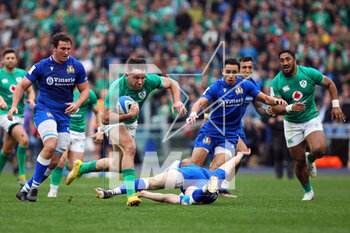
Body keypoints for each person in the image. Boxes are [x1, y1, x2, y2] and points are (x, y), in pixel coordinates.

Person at [65, 58, 187, 206]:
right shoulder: (117, 87)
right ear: (127, 74)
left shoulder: (149, 80)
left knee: (118, 165)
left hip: (131, 122)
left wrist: (177, 101)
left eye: (142, 77)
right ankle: (131, 196)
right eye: (136, 78)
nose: (141, 82)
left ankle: (81, 167)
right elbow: (105, 118)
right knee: (130, 147)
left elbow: (173, 83)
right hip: (113, 121)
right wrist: (128, 115)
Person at [181, 58, 287, 186]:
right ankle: (179, 167)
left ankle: (215, 188)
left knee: (226, 162)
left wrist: (277, 102)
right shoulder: (216, 86)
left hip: (231, 132)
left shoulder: (248, 85)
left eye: (234, 72)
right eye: (228, 72)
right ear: (223, 71)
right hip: (212, 129)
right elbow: (201, 102)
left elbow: (264, 99)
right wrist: (195, 114)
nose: (231, 75)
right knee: (195, 164)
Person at [10, 32, 90, 202]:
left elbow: (85, 90)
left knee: (54, 161)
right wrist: (14, 106)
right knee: (51, 143)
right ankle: (35, 189)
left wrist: (77, 104)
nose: (66, 52)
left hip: (64, 116)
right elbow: (22, 86)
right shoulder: (41, 66)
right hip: (44, 110)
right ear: (53, 48)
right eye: (63, 48)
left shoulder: (76, 66)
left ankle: (26, 188)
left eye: (69, 48)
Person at [269, 49, 346, 201]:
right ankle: (308, 191)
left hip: (310, 119)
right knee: (297, 161)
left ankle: (310, 159)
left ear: (294, 60)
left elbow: (330, 83)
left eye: (287, 59)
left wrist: (335, 105)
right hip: (291, 123)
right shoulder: (276, 82)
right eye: (282, 60)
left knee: (319, 150)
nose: (285, 63)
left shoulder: (309, 73)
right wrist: (290, 107)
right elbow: (274, 108)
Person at [94, 149, 251, 205]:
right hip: (196, 185)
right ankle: (204, 188)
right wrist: (148, 195)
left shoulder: (214, 175)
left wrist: (241, 155)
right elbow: (169, 198)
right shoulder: (195, 196)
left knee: (151, 182)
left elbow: (229, 165)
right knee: (188, 199)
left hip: (194, 175)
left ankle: (111, 192)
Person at [47, 88, 103, 197]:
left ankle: (47, 170)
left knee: (76, 168)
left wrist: (100, 131)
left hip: (79, 134)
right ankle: (53, 191)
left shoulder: (89, 93)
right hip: (64, 129)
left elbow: (97, 112)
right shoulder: (61, 89)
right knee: (61, 160)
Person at [0, 48, 35, 186]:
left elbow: (30, 91)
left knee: (7, 150)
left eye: (12, 58)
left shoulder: (22, 74)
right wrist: (1, 101)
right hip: (5, 115)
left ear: (16, 60)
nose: (10, 60)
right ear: (3, 60)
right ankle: (22, 175)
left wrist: (31, 100)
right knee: (24, 140)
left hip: (20, 115)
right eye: (7, 58)